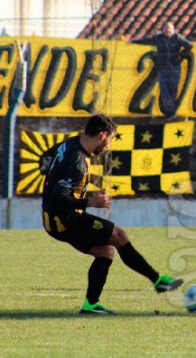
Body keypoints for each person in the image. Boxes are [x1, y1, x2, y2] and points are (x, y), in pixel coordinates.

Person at [41, 114, 183, 315]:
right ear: (102, 135)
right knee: (119, 235)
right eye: (111, 139)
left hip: (54, 220)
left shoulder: (70, 144)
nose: (109, 145)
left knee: (105, 251)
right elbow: (57, 198)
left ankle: (91, 305)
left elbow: (46, 156)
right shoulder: (77, 162)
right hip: (64, 221)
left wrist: (49, 173)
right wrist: (90, 201)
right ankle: (158, 280)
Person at [128, 22, 193, 117]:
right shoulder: (159, 38)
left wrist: (181, 55)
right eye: (166, 29)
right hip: (163, 67)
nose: (168, 31)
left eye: (169, 29)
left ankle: (172, 111)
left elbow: (190, 45)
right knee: (164, 90)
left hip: (174, 67)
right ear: (162, 30)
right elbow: (146, 41)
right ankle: (167, 111)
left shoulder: (177, 38)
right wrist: (132, 41)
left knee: (173, 89)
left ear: (173, 30)